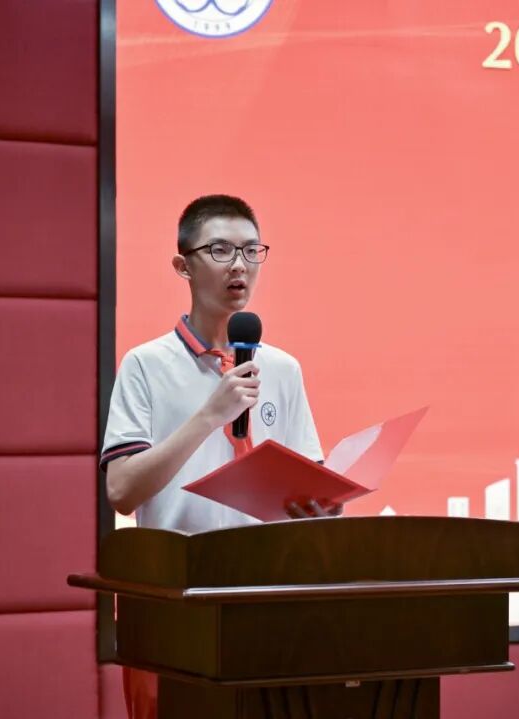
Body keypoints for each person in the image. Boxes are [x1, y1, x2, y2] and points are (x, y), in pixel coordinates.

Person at [100, 194, 336, 717]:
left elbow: (307, 480)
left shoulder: (284, 369)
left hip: (266, 600)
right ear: (183, 265)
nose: (239, 265)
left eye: (252, 251)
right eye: (221, 250)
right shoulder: (145, 365)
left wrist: (321, 505)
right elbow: (121, 491)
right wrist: (210, 414)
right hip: (175, 602)